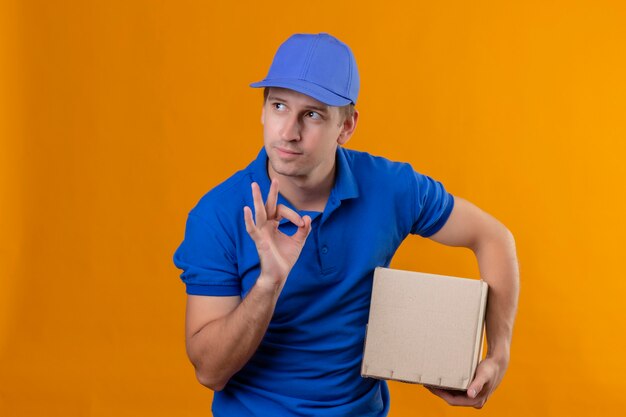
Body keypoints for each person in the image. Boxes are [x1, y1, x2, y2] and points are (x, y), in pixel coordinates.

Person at [173, 33, 519, 416]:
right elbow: (210, 371)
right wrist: (268, 283)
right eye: (279, 106)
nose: (288, 131)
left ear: (347, 126)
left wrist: (499, 353)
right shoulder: (218, 214)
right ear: (263, 110)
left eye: (313, 114)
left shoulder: (391, 187)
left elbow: (493, 238)